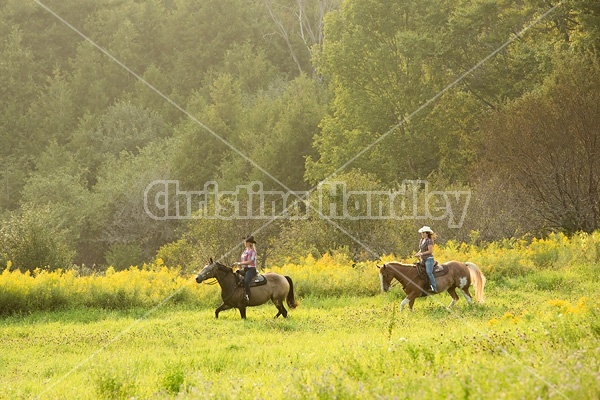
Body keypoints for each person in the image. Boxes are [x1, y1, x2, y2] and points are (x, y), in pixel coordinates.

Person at [234, 236, 257, 304]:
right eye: (245, 242)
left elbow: (250, 261)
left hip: (251, 269)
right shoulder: (245, 251)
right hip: (245, 269)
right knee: (235, 276)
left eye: (246, 242)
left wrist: (239, 263)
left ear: (250, 243)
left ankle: (248, 295)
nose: (245, 243)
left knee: (246, 281)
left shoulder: (252, 251)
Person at [415, 226, 437, 293]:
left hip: (429, 259)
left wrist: (421, 254)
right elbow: (421, 249)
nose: (422, 234)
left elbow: (430, 251)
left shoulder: (429, 241)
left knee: (429, 272)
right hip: (423, 259)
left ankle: (434, 287)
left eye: (423, 232)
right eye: (422, 232)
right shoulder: (421, 240)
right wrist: (417, 253)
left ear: (427, 233)